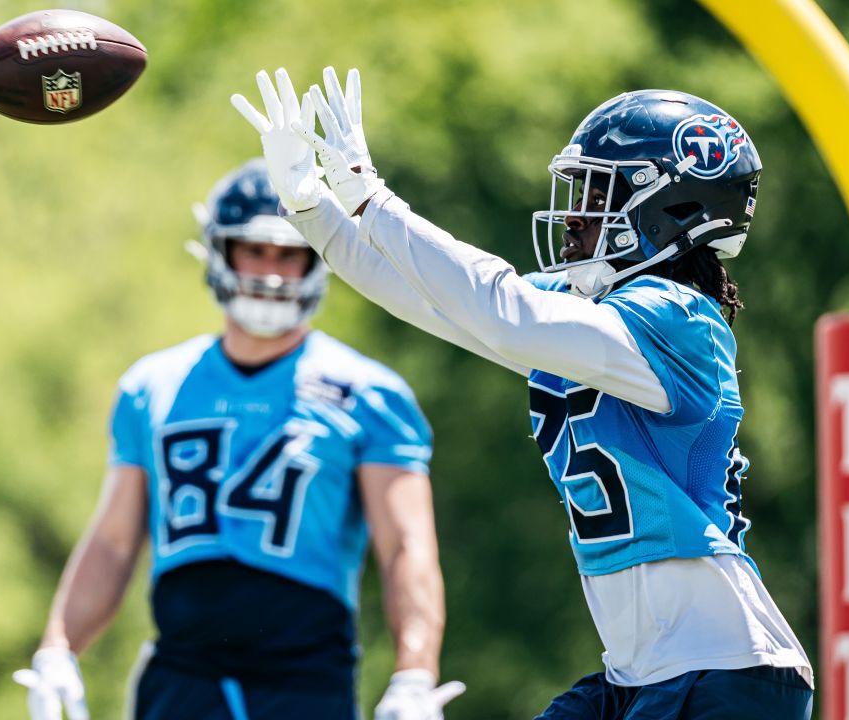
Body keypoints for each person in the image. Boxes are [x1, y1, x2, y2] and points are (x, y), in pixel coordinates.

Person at [231, 68, 815, 719]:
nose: (572, 213)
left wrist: (373, 198)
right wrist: (315, 208)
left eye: (595, 190)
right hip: (639, 676)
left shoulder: (680, 319)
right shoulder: (590, 314)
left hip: (726, 674)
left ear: (668, 206)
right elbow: (436, 305)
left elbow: (504, 310)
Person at [12, 160, 465, 720]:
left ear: (315, 259)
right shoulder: (151, 385)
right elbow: (113, 542)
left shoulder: (369, 393)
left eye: (289, 252)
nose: (271, 271)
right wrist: (59, 647)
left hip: (304, 677)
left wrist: (415, 673)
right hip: (181, 673)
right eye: (255, 249)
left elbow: (406, 549)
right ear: (219, 252)